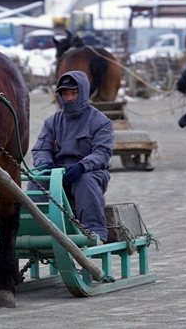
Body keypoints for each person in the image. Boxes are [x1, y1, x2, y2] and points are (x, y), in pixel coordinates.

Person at [28, 70, 114, 243]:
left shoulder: (101, 121)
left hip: (90, 172)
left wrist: (82, 166)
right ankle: (35, 229)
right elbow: (40, 149)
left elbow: (103, 153)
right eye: (65, 93)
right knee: (36, 180)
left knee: (85, 182)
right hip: (57, 172)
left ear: (82, 93)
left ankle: (94, 231)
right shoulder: (52, 121)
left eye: (73, 93)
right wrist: (46, 164)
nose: (68, 98)